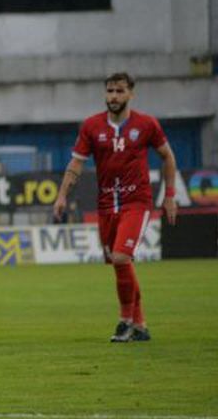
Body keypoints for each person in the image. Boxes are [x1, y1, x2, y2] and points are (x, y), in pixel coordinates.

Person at [53, 72, 177, 342]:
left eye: (120, 91)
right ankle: (141, 326)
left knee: (122, 257)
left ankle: (124, 322)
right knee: (120, 264)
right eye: (110, 91)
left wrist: (169, 195)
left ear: (131, 93)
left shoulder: (146, 124)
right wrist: (62, 195)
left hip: (137, 202)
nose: (114, 97)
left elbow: (167, 157)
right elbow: (76, 164)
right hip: (107, 205)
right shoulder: (91, 126)